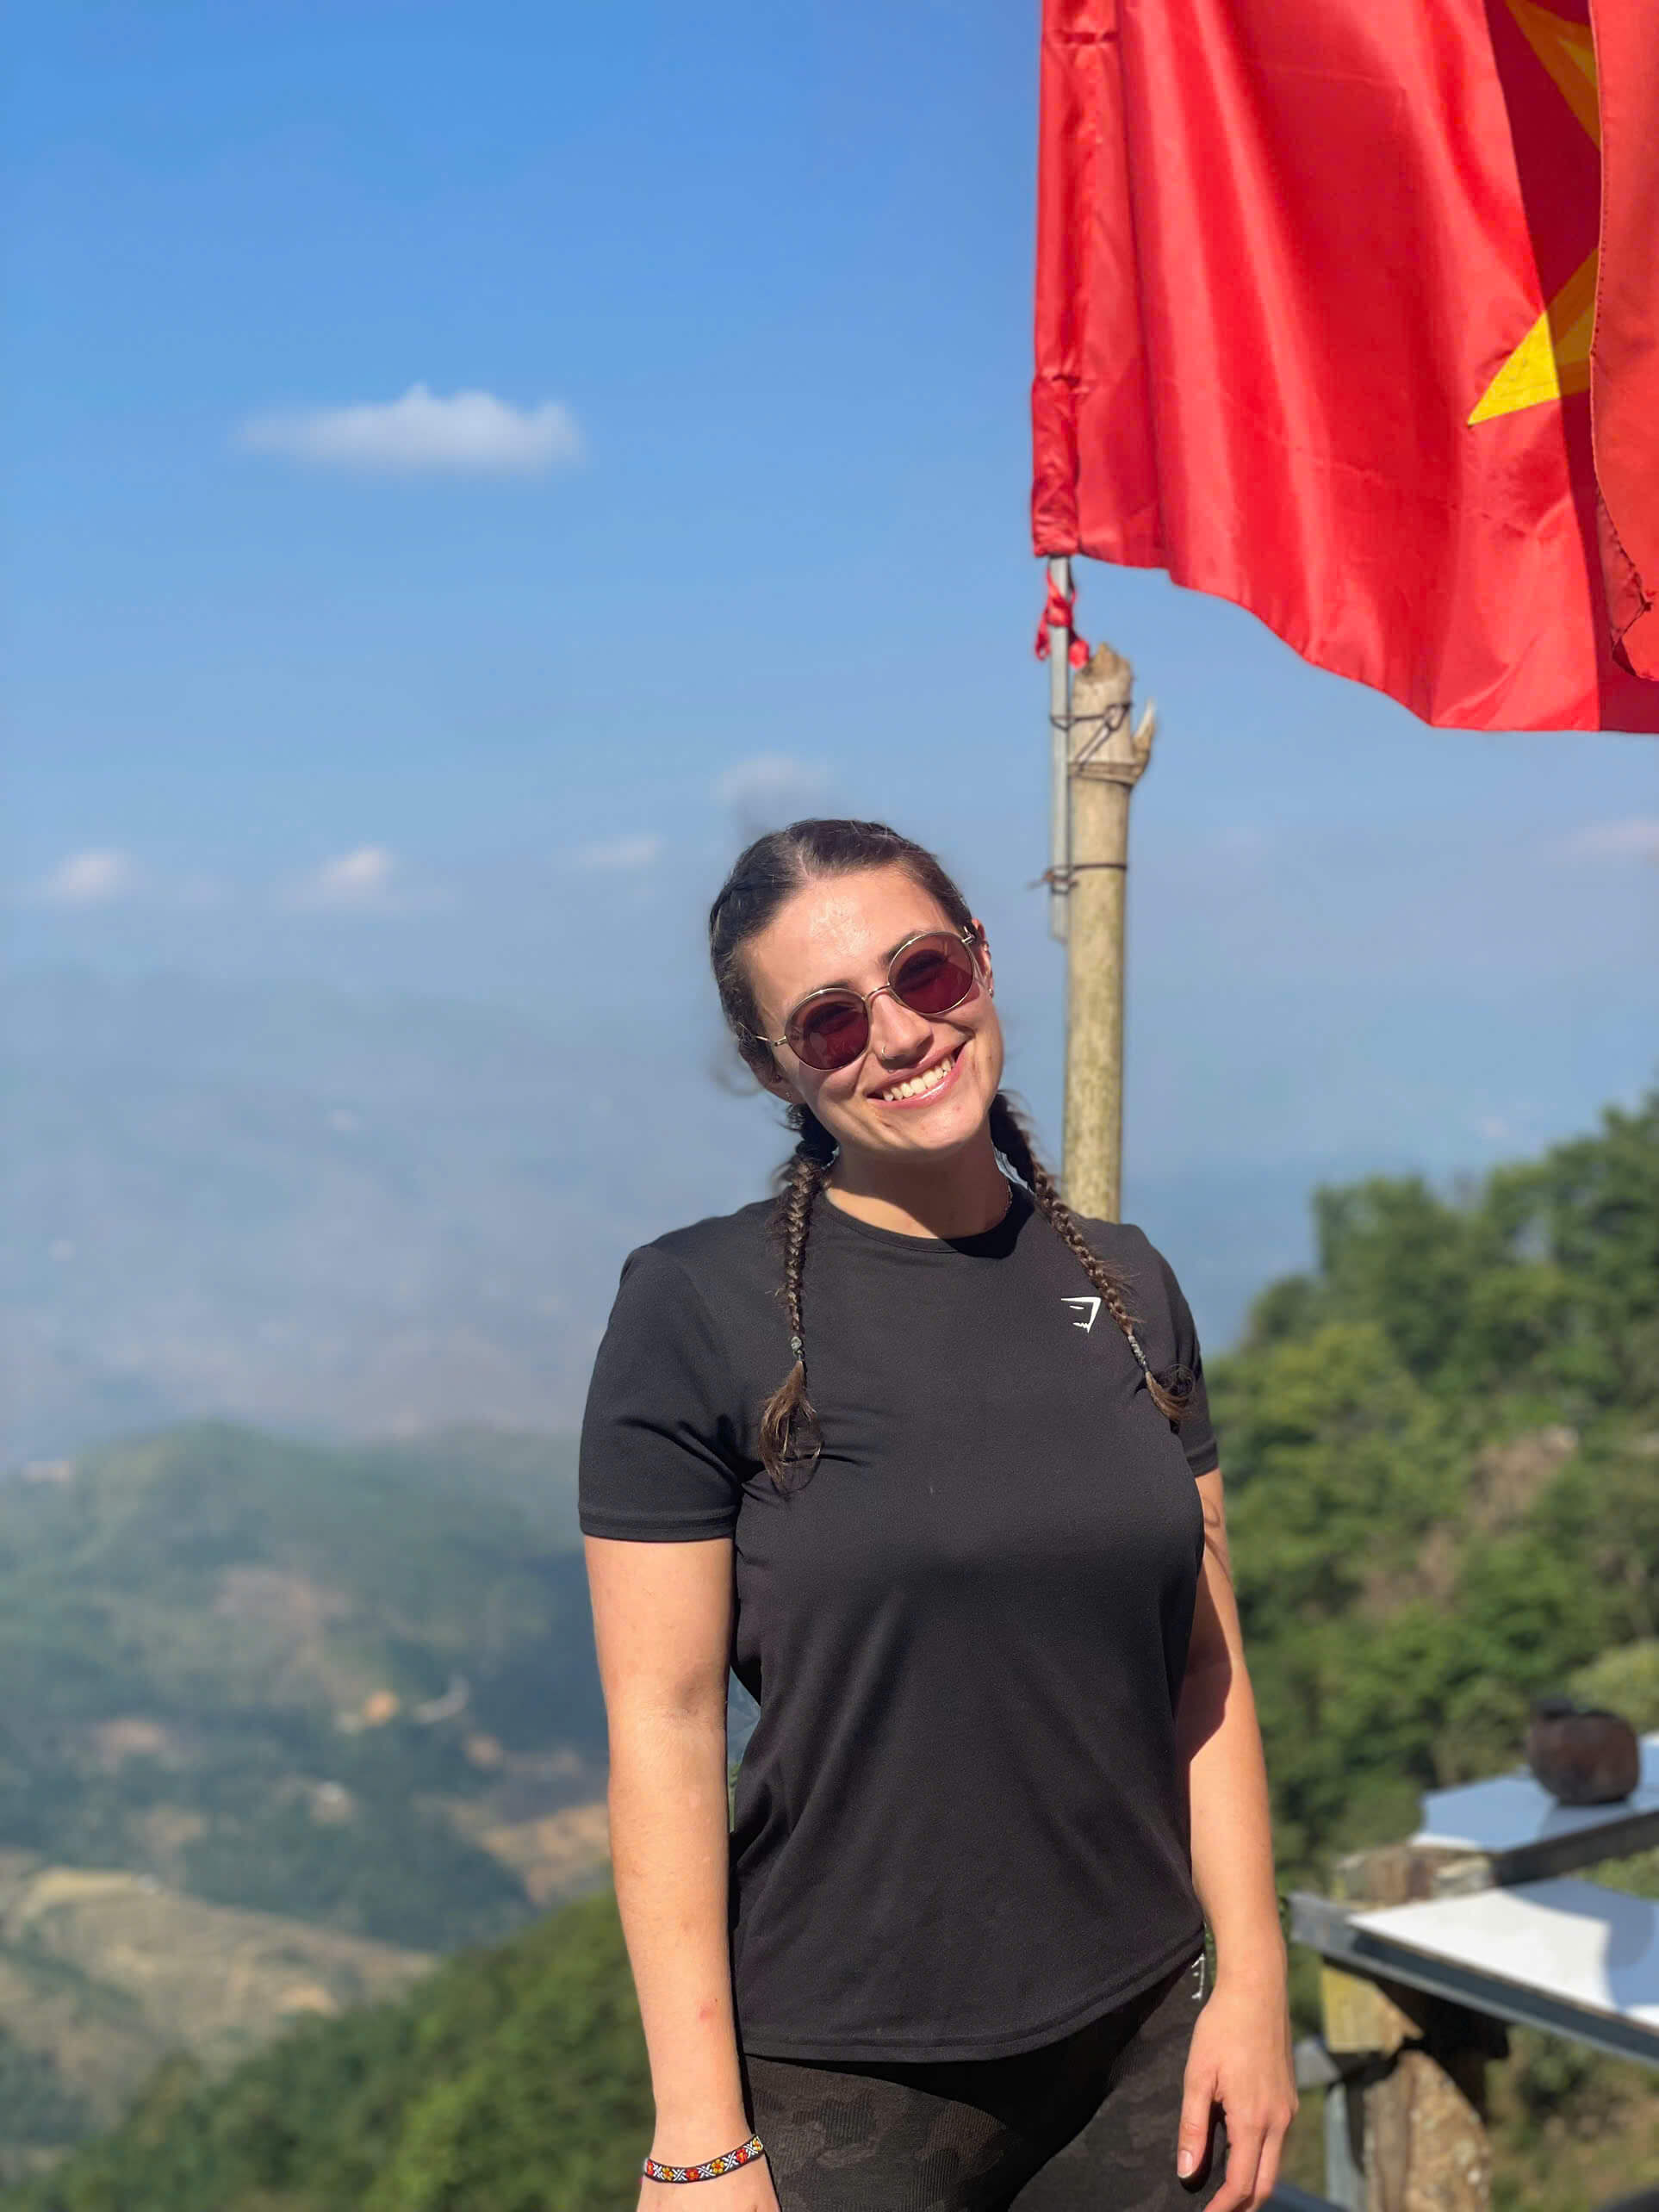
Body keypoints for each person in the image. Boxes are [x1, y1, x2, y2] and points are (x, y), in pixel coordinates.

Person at [579, 819, 1297, 2211]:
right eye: (831, 1021)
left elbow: (1203, 1669)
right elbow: (661, 1731)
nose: (900, 1034)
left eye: (923, 972)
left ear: (977, 958)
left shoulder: (1131, 1287)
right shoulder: (695, 1309)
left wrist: (1253, 1985)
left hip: (1149, 2038)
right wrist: (699, 2137)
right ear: (773, 1069)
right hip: (852, 2074)